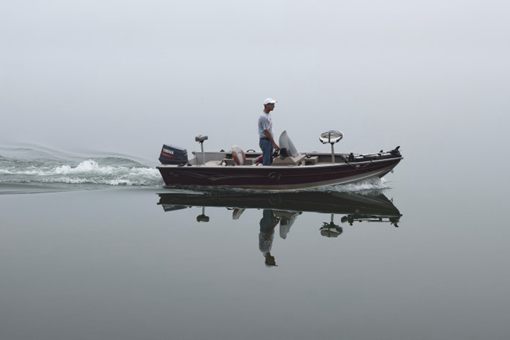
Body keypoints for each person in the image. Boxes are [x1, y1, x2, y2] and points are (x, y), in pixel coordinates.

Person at [258, 98, 279, 165]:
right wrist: (274, 143)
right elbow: (266, 131)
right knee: (267, 161)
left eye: (273, 104)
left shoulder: (268, 115)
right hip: (265, 141)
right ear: (266, 105)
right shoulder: (263, 117)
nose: (274, 106)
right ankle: (265, 174)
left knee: (270, 159)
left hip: (268, 140)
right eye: (272, 104)